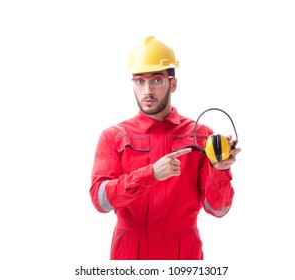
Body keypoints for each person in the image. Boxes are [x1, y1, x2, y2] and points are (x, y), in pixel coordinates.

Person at [90, 36, 241, 260]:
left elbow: (218, 209)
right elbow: (101, 201)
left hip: (183, 254)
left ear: (173, 83)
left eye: (157, 80)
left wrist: (219, 169)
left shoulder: (200, 135)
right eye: (139, 81)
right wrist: (149, 174)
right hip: (131, 253)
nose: (147, 90)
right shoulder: (114, 137)